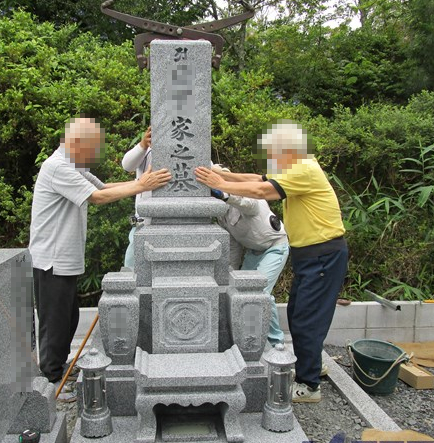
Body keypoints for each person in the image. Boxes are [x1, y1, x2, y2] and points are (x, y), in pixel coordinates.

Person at [195, 120, 348, 403]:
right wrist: (218, 174)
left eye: (273, 152)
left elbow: (262, 192)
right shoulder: (296, 166)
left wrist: (220, 184)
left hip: (323, 254)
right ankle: (311, 364)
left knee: (306, 318)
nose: (271, 158)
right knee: (301, 314)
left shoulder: (305, 169)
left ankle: (309, 384)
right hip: (311, 255)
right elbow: (258, 179)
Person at [29, 118, 170, 394]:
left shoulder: (73, 165)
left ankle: (59, 369)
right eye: (92, 146)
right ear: (76, 142)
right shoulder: (57, 167)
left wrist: (142, 182)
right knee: (55, 321)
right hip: (52, 259)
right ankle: (50, 381)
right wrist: (142, 186)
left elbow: (104, 187)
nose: (95, 152)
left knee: (67, 320)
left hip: (65, 259)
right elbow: (97, 198)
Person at [211, 167, 289, 346]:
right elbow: (233, 246)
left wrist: (225, 194)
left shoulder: (247, 195)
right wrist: (230, 273)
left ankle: (277, 341)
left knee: (260, 294)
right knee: (240, 291)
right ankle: (246, 337)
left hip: (275, 247)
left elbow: (250, 205)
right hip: (253, 252)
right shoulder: (221, 214)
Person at [121, 126, 152, 269]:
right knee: (132, 268)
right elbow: (127, 165)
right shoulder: (147, 150)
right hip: (143, 222)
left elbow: (210, 168)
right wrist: (143, 145)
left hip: (174, 222)